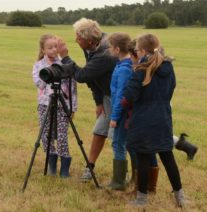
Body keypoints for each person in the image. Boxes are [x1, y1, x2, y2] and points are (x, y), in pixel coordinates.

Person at [124, 33, 185, 207]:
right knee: (167, 157)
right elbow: (171, 89)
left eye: (137, 50)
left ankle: (142, 199)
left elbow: (130, 96)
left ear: (142, 50)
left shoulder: (141, 70)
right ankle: (180, 197)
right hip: (163, 117)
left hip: (143, 119)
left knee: (143, 158)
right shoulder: (168, 67)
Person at [57, 18, 117, 181]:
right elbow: (94, 78)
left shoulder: (105, 53)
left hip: (118, 99)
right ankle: (90, 168)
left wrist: (65, 58)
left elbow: (83, 76)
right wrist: (98, 102)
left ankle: (122, 177)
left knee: (122, 137)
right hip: (107, 96)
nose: (76, 40)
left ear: (89, 40)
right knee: (99, 131)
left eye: (78, 37)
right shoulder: (91, 46)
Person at [32, 34, 77, 178]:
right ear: (43, 50)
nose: (53, 50)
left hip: (62, 105)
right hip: (45, 104)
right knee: (46, 136)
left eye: (55, 47)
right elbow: (39, 84)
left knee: (62, 135)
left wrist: (73, 107)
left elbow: (72, 88)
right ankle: (51, 165)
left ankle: (65, 169)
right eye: (49, 47)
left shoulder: (65, 65)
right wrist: (48, 74)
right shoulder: (38, 65)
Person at [107, 32, 134, 190]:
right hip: (124, 112)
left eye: (111, 47)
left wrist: (115, 117)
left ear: (117, 49)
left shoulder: (124, 69)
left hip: (122, 113)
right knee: (126, 144)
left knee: (118, 144)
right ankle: (133, 178)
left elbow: (120, 95)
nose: (109, 49)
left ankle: (118, 182)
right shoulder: (124, 65)